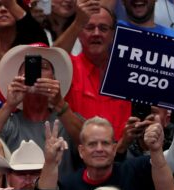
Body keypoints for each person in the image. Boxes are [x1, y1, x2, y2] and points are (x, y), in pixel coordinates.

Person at [0, 43, 81, 178]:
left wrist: (60, 104)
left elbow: (89, 144)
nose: (37, 74)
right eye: (29, 68)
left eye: (43, 67)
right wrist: (9, 105)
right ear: (18, 78)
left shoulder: (68, 120)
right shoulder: (8, 123)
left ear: (54, 79)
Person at [55, 6, 132, 141]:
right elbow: (51, 59)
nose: (96, 33)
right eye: (89, 28)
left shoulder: (128, 72)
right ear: (78, 33)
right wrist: (78, 22)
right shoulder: (68, 67)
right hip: (75, 154)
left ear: (113, 35)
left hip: (123, 155)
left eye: (103, 28)